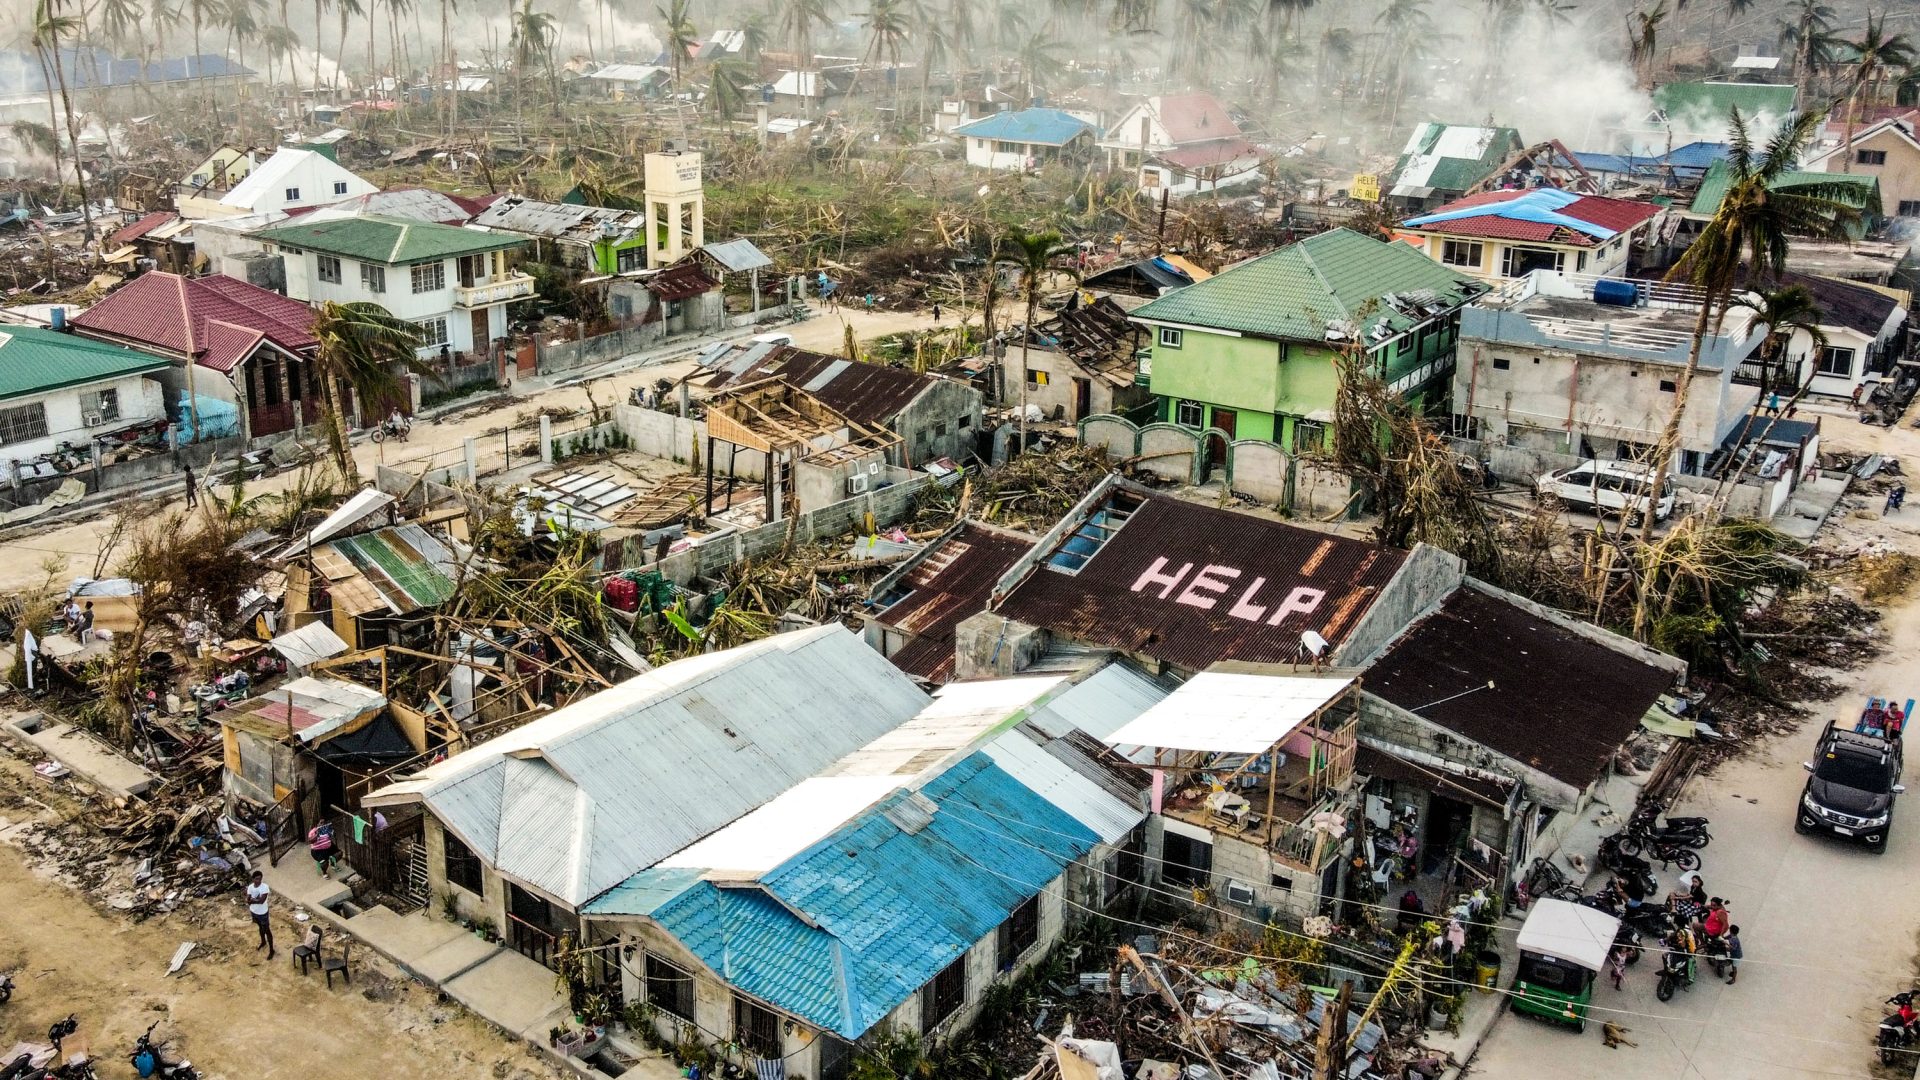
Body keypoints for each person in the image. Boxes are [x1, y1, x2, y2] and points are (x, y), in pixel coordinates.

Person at [246, 871, 274, 959]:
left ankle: (272, 950)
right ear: (253, 879)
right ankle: (263, 942)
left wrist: (252, 900)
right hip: (254, 912)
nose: (259, 881)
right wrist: (254, 900)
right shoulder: (250, 887)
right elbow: (248, 900)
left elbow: (262, 901)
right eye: (257, 879)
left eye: (260, 879)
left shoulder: (265, 887)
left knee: (267, 930)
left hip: (263, 913)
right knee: (260, 928)